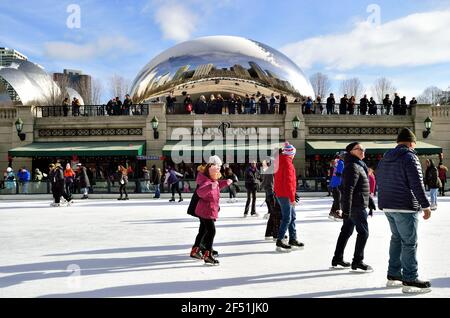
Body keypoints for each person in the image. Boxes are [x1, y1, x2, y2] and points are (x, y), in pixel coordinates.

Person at [376, 127, 432, 293]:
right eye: (414, 144)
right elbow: (417, 184)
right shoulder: (410, 157)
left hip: (388, 205)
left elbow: (381, 181)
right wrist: (425, 205)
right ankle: (410, 279)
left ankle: (393, 275)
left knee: (397, 239)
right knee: (409, 243)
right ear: (410, 142)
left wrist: (382, 203)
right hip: (405, 206)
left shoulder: (386, 157)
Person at [331, 142, 374, 271]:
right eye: (359, 149)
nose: (362, 151)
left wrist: (370, 200)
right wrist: (346, 210)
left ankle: (337, 258)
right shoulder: (352, 166)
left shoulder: (359, 165)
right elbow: (348, 189)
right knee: (363, 232)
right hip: (356, 205)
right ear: (351, 152)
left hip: (356, 203)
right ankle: (358, 261)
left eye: (363, 149)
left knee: (346, 231)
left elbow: (361, 187)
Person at [191, 156, 232, 265]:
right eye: (217, 167)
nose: (218, 171)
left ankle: (195, 250)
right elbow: (201, 192)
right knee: (211, 231)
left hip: (207, 210)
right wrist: (211, 186)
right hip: (206, 210)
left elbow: (216, 185)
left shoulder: (212, 179)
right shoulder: (206, 180)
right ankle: (208, 255)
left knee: (203, 231)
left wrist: (226, 182)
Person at [274, 142, 304, 252]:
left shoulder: (281, 160)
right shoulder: (287, 163)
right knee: (287, 217)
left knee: (292, 216)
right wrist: (292, 198)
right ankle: (280, 240)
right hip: (284, 194)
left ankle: (293, 239)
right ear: (292, 153)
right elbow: (289, 182)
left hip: (282, 192)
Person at [328, 152, 345, 221]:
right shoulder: (341, 163)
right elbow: (339, 173)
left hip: (334, 183)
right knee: (338, 199)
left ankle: (332, 213)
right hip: (338, 183)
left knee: (337, 199)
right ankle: (337, 214)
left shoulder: (338, 162)